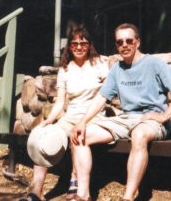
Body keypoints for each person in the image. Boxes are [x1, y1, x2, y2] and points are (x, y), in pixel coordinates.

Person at [70, 23, 171, 201]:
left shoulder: (153, 63)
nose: (124, 45)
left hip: (151, 121)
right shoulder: (117, 69)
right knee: (80, 136)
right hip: (125, 120)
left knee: (139, 134)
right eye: (119, 42)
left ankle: (128, 197)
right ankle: (83, 194)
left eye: (129, 40)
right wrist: (82, 122)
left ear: (137, 42)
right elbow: (101, 98)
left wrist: (165, 116)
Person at [20, 25, 109, 201]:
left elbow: (107, 94)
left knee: (78, 135)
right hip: (70, 116)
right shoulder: (65, 69)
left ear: (89, 45)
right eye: (74, 43)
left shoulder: (99, 64)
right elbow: (60, 101)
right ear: (69, 46)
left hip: (93, 116)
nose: (78, 47)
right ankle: (37, 191)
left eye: (83, 43)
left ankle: (75, 181)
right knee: (42, 137)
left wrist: (84, 120)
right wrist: (49, 121)